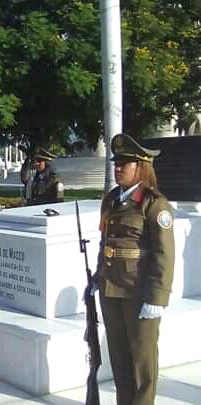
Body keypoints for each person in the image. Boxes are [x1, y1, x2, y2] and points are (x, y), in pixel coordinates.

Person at [94, 133, 175, 405]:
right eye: (116, 163)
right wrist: (97, 277)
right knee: (120, 361)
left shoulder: (154, 204)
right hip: (110, 290)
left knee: (142, 363)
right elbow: (106, 242)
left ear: (140, 167)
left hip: (138, 293)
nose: (118, 168)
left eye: (124, 164)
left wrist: (157, 298)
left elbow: (164, 254)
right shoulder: (111, 200)